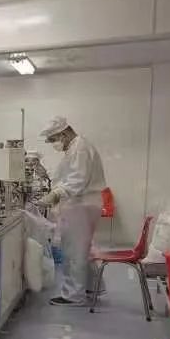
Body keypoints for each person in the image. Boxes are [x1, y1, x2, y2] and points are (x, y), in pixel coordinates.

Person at [37, 116, 107, 306]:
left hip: (81, 204)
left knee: (73, 251)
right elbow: (66, 176)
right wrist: (47, 176)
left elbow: (77, 179)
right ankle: (93, 286)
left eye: (53, 139)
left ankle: (73, 295)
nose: (53, 144)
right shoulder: (75, 148)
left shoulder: (80, 148)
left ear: (64, 134)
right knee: (83, 248)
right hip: (83, 204)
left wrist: (55, 194)